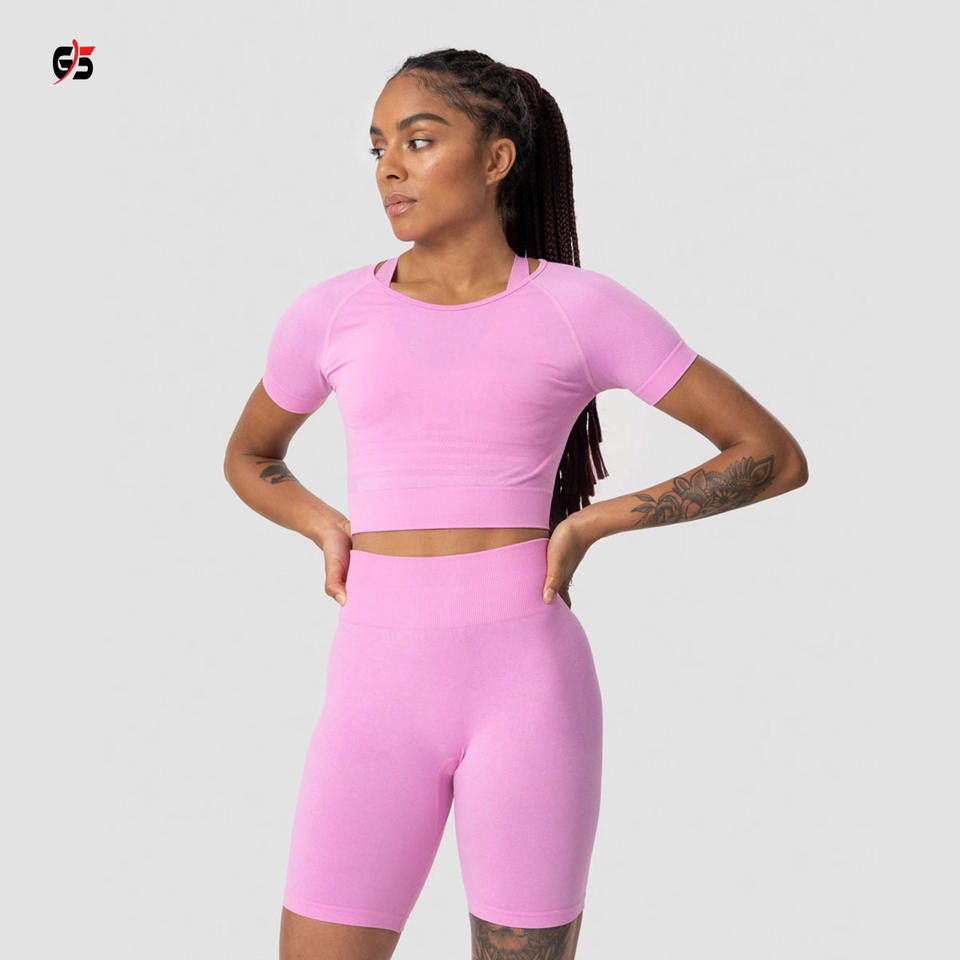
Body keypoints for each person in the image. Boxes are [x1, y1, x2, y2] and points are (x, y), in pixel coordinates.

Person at [223, 48, 809, 960]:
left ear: (496, 158)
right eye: (378, 146)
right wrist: (321, 522)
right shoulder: (331, 313)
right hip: (373, 692)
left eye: (419, 140)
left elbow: (770, 453)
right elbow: (250, 452)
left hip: (526, 690)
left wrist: (593, 521)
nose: (389, 167)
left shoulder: (581, 308)